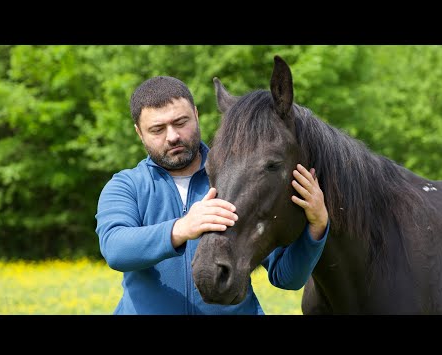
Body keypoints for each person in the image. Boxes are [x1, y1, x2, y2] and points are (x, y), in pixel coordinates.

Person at [95, 76, 330, 315]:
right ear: (139, 132)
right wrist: (181, 228)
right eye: (157, 129)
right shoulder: (126, 185)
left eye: (180, 122)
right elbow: (115, 248)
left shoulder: (241, 177)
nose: (172, 136)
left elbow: (286, 277)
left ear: (196, 115)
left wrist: (317, 228)